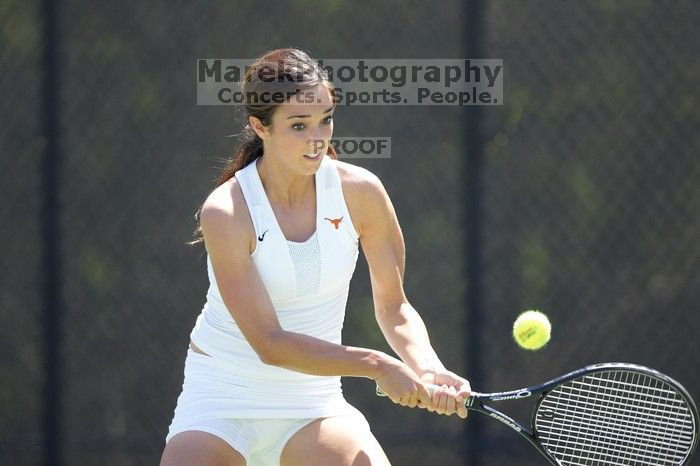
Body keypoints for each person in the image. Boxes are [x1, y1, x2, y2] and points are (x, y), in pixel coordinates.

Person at [160, 48, 471, 466]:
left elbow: (394, 306)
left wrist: (428, 368)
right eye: (298, 125)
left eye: (325, 119)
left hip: (312, 404)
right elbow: (270, 344)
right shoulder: (226, 212)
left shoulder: (362, 192)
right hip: (220, 402)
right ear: (260, 127)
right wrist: (378, 365)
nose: (318, 137)